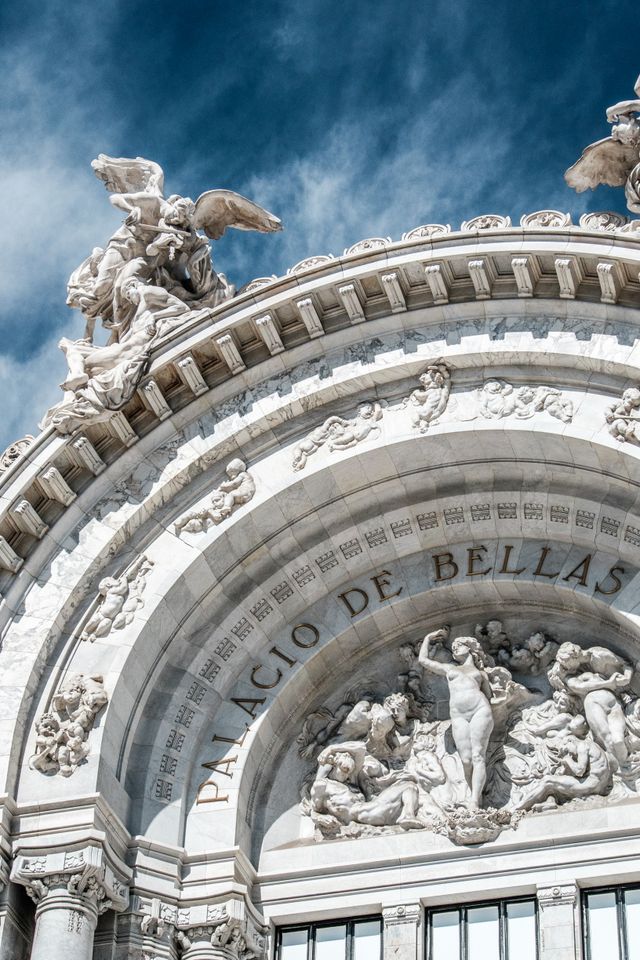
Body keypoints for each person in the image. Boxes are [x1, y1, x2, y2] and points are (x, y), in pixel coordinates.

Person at [418, 626, 494, 808]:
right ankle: (476, 795)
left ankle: (474, 800)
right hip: (458, 716)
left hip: (479, 710)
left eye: (459, 645)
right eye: (454, 646)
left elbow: (490, 697)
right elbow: (423, 660)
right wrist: (428, 637)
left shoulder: (480, 673)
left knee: (477, 756)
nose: (455, 648)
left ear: (470, 648)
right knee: (466, 759)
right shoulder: (449, 669)